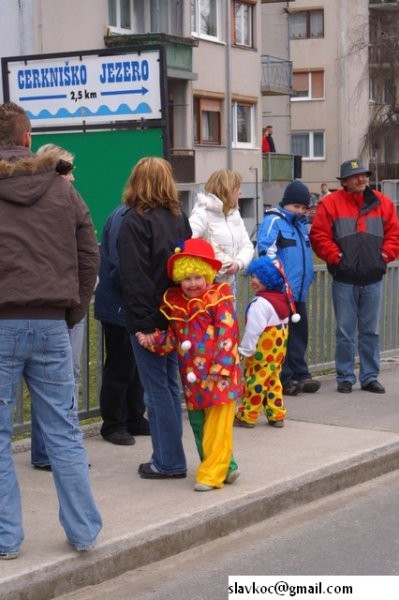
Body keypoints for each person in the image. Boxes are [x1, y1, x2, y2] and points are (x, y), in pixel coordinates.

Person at [0, 102, 102, 559]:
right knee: (63, 431)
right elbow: (89, 254)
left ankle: (6, 538)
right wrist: (72, 311)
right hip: (50, 323)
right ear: (27, 139)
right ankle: (82, 532)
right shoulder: (63, 190)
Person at [136, 238, 242, 491]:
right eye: (187, 278)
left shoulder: (219, 299)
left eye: (197, 277)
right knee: (198, 425)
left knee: (217, 427)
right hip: (193, 379)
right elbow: (172, 340)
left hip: (219, 377)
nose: (193, 284)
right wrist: (150, 340)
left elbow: (228, 334)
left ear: (207, 275)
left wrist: (220, 367)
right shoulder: (177, 305)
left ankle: (211, 475)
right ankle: (226, 467)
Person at [117, 157, 192, 479]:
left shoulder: (134, 221)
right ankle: (170, 455)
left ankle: (168, 460)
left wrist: (144, 326)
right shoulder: (179, 219)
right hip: (176, 315)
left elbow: (134, 278)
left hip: (151, 317)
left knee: (157, 390)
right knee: (169, 388)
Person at [310, 158, 399, 394]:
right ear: (345, 181)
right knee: (344, 331)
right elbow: (319, 236)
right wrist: (338, 258)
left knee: (371, 331)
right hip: (344, 279)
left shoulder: (383, 203)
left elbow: (394, 234)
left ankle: (370, 377)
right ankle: (345, 377)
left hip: (373, 278)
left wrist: (383, 256)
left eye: (364, 175)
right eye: (356, 176)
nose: (362, 179)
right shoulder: (330, 204)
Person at [30, 143, 87, 469]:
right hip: (61, 306)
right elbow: (83, 256)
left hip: (62, 303)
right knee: (57, 381)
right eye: (68, 172)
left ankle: (50, 450)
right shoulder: (57, 206)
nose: (73, 179)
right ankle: (57, 451)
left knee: (62, 378)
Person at [257, 180, 321, 396]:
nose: (300, 211)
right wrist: (280, 281)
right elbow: (267, 251)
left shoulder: (301, 226)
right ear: (286, 204)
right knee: (280, 336)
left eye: (304, 208)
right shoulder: (273, 221)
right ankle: (283, 378)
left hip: (299, 291)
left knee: (299, 334)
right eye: (296, 207)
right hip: (282, 292)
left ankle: (300, 373)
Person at [94, 204, 149, 445]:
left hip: (129, 303)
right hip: (119, 305)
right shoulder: (124, 217)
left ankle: (134, 416)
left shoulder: (130, 214)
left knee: (136, 365)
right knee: (121, 364)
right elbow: (121, 265)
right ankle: (113, 423)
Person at [235, 256, 292, 428]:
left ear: (269, 279)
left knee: (255, 381)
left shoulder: (260, 303)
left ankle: (247, 415)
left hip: (261, 353)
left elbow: (253, 330)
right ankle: (276, 414)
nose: (254, 280)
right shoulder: (282, 300)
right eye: (253, 276)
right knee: (273, 380)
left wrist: (244, 350)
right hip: (277, 353)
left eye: (259, 277)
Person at [189, 169, 254, 297]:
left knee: (229, 317)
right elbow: (191, 244)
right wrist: (224, 263)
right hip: (208, 285)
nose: (240, 192)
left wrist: (238, 263)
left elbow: (247, 245)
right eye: (237, 188)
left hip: (230, 284)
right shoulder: (202, 213)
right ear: (227, 190)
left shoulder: (234, 213)